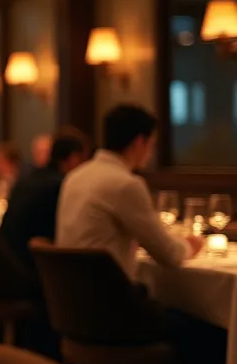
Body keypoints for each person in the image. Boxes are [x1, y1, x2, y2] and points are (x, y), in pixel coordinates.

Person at [56, 105, 202, 278]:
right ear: (140, 142)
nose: (151, 152)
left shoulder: (75, 176)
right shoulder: (126, 185)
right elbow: (169, 254)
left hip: (68, 295)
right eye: (152, 144)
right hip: (107, 297)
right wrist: (191, 245)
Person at [0, 129, 90, 273]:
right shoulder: (61, 186)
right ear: (74, 159)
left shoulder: (26, 179)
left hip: (4, 267)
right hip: (31, 275)